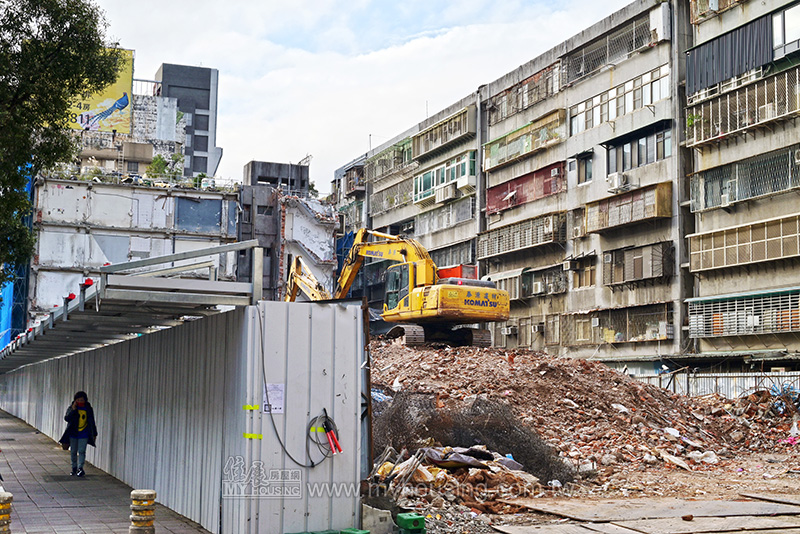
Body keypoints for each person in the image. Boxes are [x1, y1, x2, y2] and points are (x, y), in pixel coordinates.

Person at [58, 391, 98, 477]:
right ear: (75, 400)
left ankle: (80, 468)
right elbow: (67, 418)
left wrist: (94, 433)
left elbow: (92, 422)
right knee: (73, 451)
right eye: (78, 400)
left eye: (82, 400)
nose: (80, 401)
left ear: (85, 400)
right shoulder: (72, 408)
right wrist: (73, 409)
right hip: (73, 433)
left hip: (84, 434)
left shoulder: (88, 409)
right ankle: (74, 468)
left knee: (82, 451)